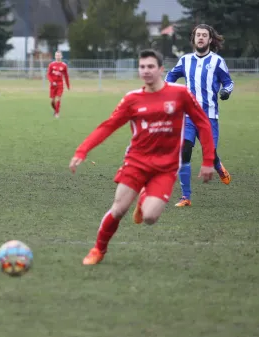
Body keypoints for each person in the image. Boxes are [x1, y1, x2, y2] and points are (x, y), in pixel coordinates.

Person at [69, 49, 215, 265]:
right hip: (136, 163)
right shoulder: (132, 99)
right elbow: (108, 126)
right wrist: (82, 150)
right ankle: (98, 250)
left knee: (149, 218)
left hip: (165, 167)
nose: (146, 71)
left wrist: (208, 161)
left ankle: (145, 196)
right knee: (118, 209)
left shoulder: (180, 94)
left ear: (160, 69)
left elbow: (202, 122)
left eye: (150, 67)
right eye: (142, 67)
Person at [166, 24, 234, 207]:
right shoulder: (185, 60)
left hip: (209, 117)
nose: (201, 38)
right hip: (188, 117)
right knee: (184, 152)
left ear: (210, 40)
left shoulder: (217, 61)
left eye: (205, 35)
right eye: (198, 35)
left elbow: (228, 82)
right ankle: (185, 197)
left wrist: (226, 92)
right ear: (194, 39)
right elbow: (169, 78)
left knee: (209, 154)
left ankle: (218, 166)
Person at [46, 51, 70, 118]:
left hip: (60, 84)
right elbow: (48, 74)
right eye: (57, 55)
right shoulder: (51, 65)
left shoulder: (64, 65)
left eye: (59, 55)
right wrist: (52, 81)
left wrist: (68, 85)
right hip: (53, 85)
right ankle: (55, 110)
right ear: (55, 56)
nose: (58, 57)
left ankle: (57, 114)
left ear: (61, 56)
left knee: (58, 99)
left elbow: (66, 76)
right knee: (52, 101)